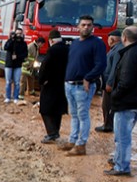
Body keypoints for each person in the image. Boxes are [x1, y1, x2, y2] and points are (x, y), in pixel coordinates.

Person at [105, 26, 137, 176]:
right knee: (122, 135)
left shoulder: (130, 55)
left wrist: (114, 95)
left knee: (122, 137)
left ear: (124, 38)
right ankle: (118, 159)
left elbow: (126, 82)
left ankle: (122, 167)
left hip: (127, 103)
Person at [58, 15, 107, 156]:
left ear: (93, 27)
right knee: (73, 114)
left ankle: (81, 145)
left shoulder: (97, 43)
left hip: (82, 86)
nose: (86, 27)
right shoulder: (75, 43)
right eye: (83, 25)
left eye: (89, 25)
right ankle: (72, 140)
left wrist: (88, 78)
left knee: (83, 115)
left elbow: (101, 64)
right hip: (69, 85)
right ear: (78, 27)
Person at [38, 29, 68, 143]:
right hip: (63, 84)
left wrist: (42, 80)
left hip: (50, 84)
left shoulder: (52, 50)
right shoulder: (67, 49)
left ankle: (51, 133)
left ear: (51, 40)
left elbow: (45, 67)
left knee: (45, 109)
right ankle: (56, 131)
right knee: (58, 109)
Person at [95, 30, 123, 133]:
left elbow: (115, 68)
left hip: (111, 83)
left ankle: (108, 125)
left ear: (111, 39)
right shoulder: (116, 49)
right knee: (108, 105)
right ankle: (110, 124)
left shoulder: (117, 51)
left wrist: (109, 83)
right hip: (111, 82)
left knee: (107, 105)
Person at [3, 28, 28, 103]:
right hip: (9, 64)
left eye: (20, 33)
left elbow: (25, 54)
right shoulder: (11, 41)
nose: (19, 35)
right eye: (17, 33)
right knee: (8, 81)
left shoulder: (23, 44)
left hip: (18, 65)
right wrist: (11, 39)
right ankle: (8, 97)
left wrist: (18, 56)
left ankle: (15, 97)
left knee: (17, 82)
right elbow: (6, 47)